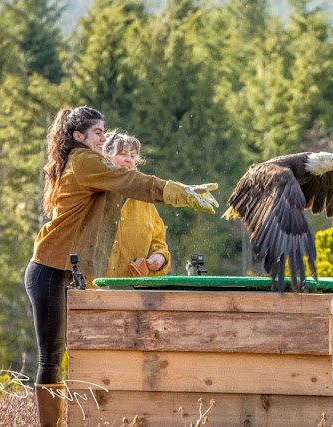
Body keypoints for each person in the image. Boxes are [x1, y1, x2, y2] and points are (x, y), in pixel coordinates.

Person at [25, 106, 218, 427]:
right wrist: (178, 192)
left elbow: (128, 186)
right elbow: (129, 179)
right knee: (51, 359)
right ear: (78, 136)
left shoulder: (87, 162)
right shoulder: (85, 161)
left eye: (103, 132)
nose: (103, 137)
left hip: (68, 273)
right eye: (98, 133)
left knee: (76, 355)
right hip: (48, 268)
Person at [102, 130, 170, 278]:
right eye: (123, 154)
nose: (129, 160)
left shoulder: (145, 200)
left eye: (133, 156)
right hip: (92, 291)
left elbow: (159, 243)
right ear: (106, 157)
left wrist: (160, 258)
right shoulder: (91, 193)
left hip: (135, 291)